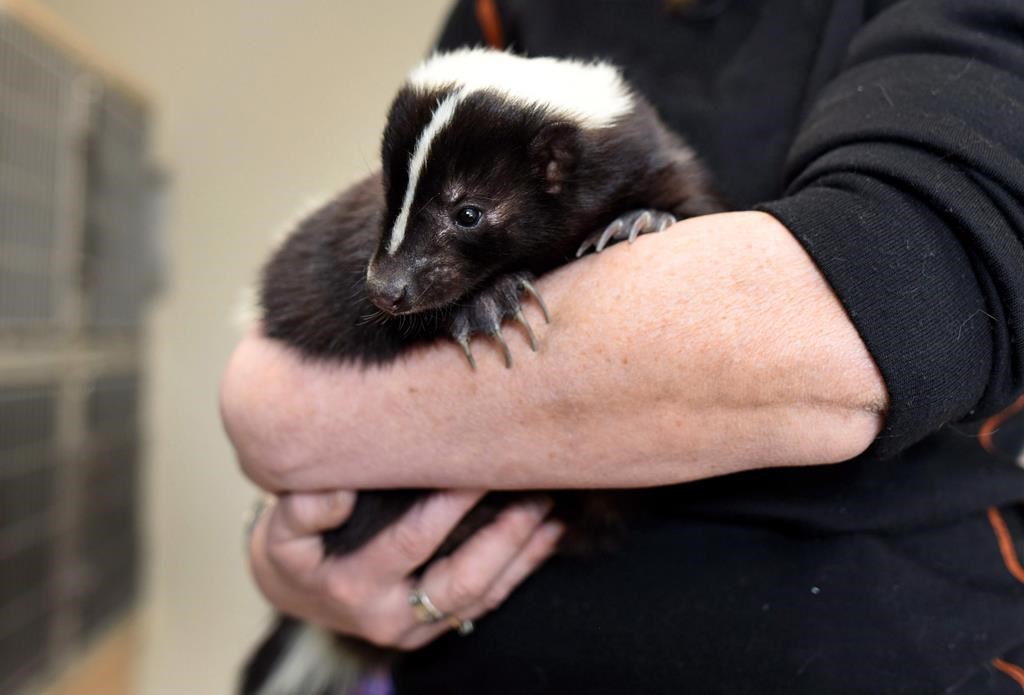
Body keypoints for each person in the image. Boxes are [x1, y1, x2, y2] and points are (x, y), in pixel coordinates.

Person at [220, 0, 1024, 692]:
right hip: (451, 651)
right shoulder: (503, 30)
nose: (390, 281)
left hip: (877, 649)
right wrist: (290, 550)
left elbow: (870, 311)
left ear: (559, 168)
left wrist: (285, 417)